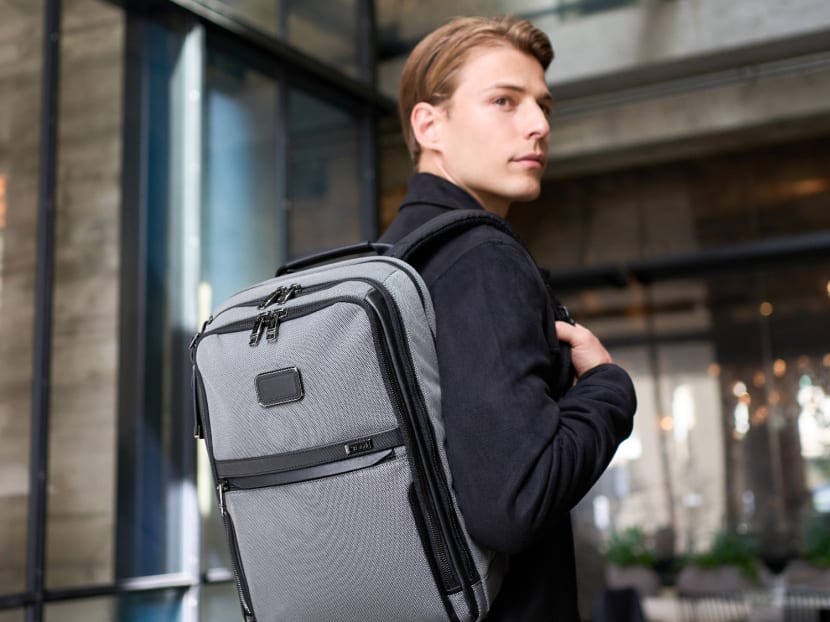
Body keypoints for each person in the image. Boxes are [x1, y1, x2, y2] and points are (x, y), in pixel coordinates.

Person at [378, 15, 638, 621]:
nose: (538, 125)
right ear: (429, 124)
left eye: (543, 105)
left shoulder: (389, 261)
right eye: (504, 101)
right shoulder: (482, 257)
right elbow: (513, 505)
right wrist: (607, 390)